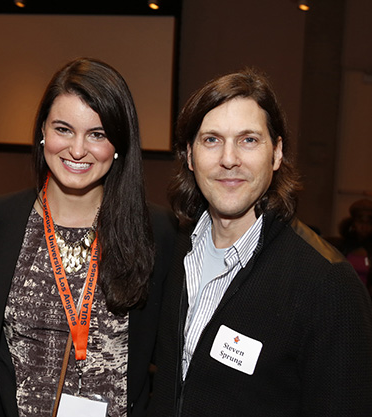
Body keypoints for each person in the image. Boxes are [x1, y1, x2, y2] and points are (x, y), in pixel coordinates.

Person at [146, 69, 372, 416]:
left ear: (276, 152)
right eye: (211, 140)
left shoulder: (326, 282)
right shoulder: (173, 252)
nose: (229, 159)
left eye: (248, 140)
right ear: (190, 155)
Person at [0, 57, 176, 417]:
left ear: (118, 144)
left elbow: (169, 360)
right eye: (63, 129)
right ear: (42, 132)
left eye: (96, 134)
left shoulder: (155, 230)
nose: (78, 150)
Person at [334, 199, 372, 291]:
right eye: (360, 222)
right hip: (344, 293)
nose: (364, 227)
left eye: (369, 222)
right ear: (353, 223)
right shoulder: (342, 246)